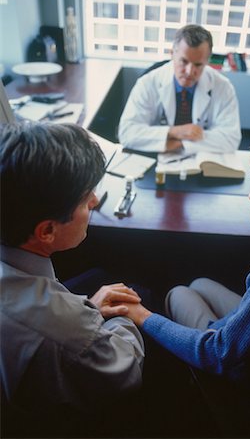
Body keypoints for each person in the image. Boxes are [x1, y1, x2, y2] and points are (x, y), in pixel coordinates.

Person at [120, 125, 250, 437]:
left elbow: (219, 354)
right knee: (201, 284)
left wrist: (141, 315)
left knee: (179, 294)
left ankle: (189, 399)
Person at [0, 122, 144, 437]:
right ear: (46, 231)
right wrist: (124, 316)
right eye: (84, 198)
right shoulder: (70, 332)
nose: (94, 201)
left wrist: (88, 310)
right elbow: (125, 370)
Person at [118, 24, 241, 153]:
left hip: (203, 159)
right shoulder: (147, 83)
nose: (189, 71)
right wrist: (175, 132)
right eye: (184, 61)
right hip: (158, 156)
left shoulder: (223, 87)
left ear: (207, 61)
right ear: (172, 54)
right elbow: (127, 133)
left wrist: (180, 144)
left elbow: (231, 139)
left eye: (198, 64)